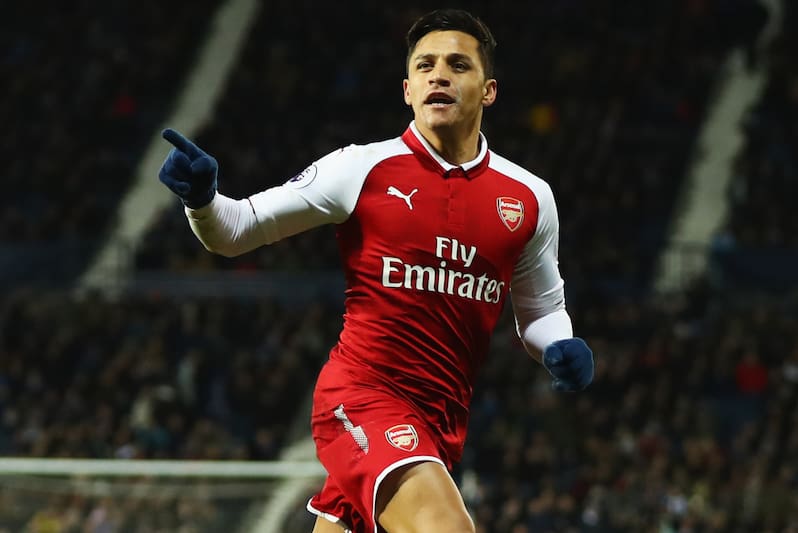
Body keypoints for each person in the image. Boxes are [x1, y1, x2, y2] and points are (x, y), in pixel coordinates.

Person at [157, 8, 595, 533]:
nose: (440, 74)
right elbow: (237, 229)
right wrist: (202, 200)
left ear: (489, 90)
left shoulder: (529, 197)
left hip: (439, 421)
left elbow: (542, 310)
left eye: (458, 65)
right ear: (408, 89)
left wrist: (559, 347)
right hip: (361, 397)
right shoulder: (360, 168)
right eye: (425, 65)